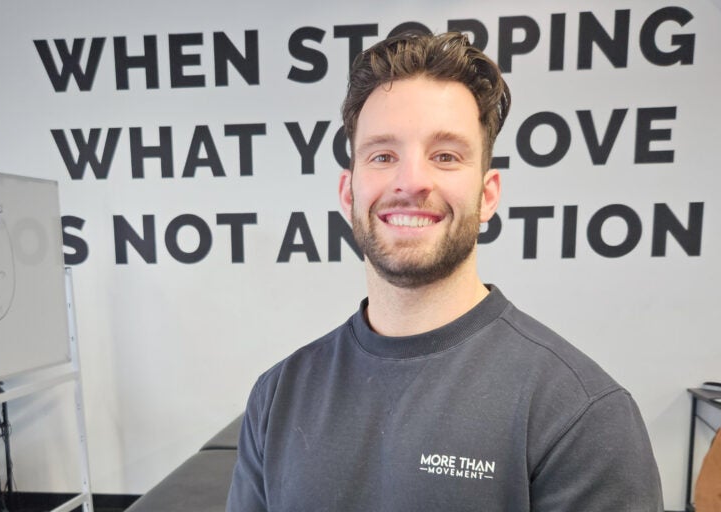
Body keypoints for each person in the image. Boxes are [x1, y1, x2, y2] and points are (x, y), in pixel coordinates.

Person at [227, 32, 663, 511]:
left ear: (488, 194)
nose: (411, 181)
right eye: (383, 155)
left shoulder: (580, 414)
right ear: (349, 192)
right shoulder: (278, 397)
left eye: (446, 156)